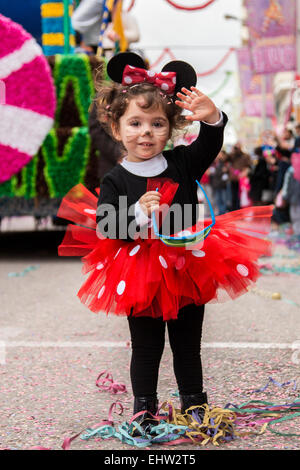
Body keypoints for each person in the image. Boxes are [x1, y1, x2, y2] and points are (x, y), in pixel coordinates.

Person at [57, 52, 273, 435]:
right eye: (135, 123)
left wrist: (212, 117)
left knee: (188, 343)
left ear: (171, 127)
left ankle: (195, 405)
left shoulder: (182, 163)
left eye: (157, 124)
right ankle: (144, 412)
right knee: (146, 345)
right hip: (139, 270)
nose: (146, 132)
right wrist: (138, 213)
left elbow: (210, 143)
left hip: (188, 263)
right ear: (116, 126)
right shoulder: (116, 178)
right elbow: (106, 224)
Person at [209, 150, 230, 215]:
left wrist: (224, 171)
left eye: (220, 154)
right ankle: (220, 212)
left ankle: (223, 212)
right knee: (218, 199)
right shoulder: (214, 163)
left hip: (222, 184)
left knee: (223, 199)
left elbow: (225, 172)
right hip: (216, 184)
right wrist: (221, 171)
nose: (219, 156)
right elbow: (214, 173)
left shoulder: (224, 163)